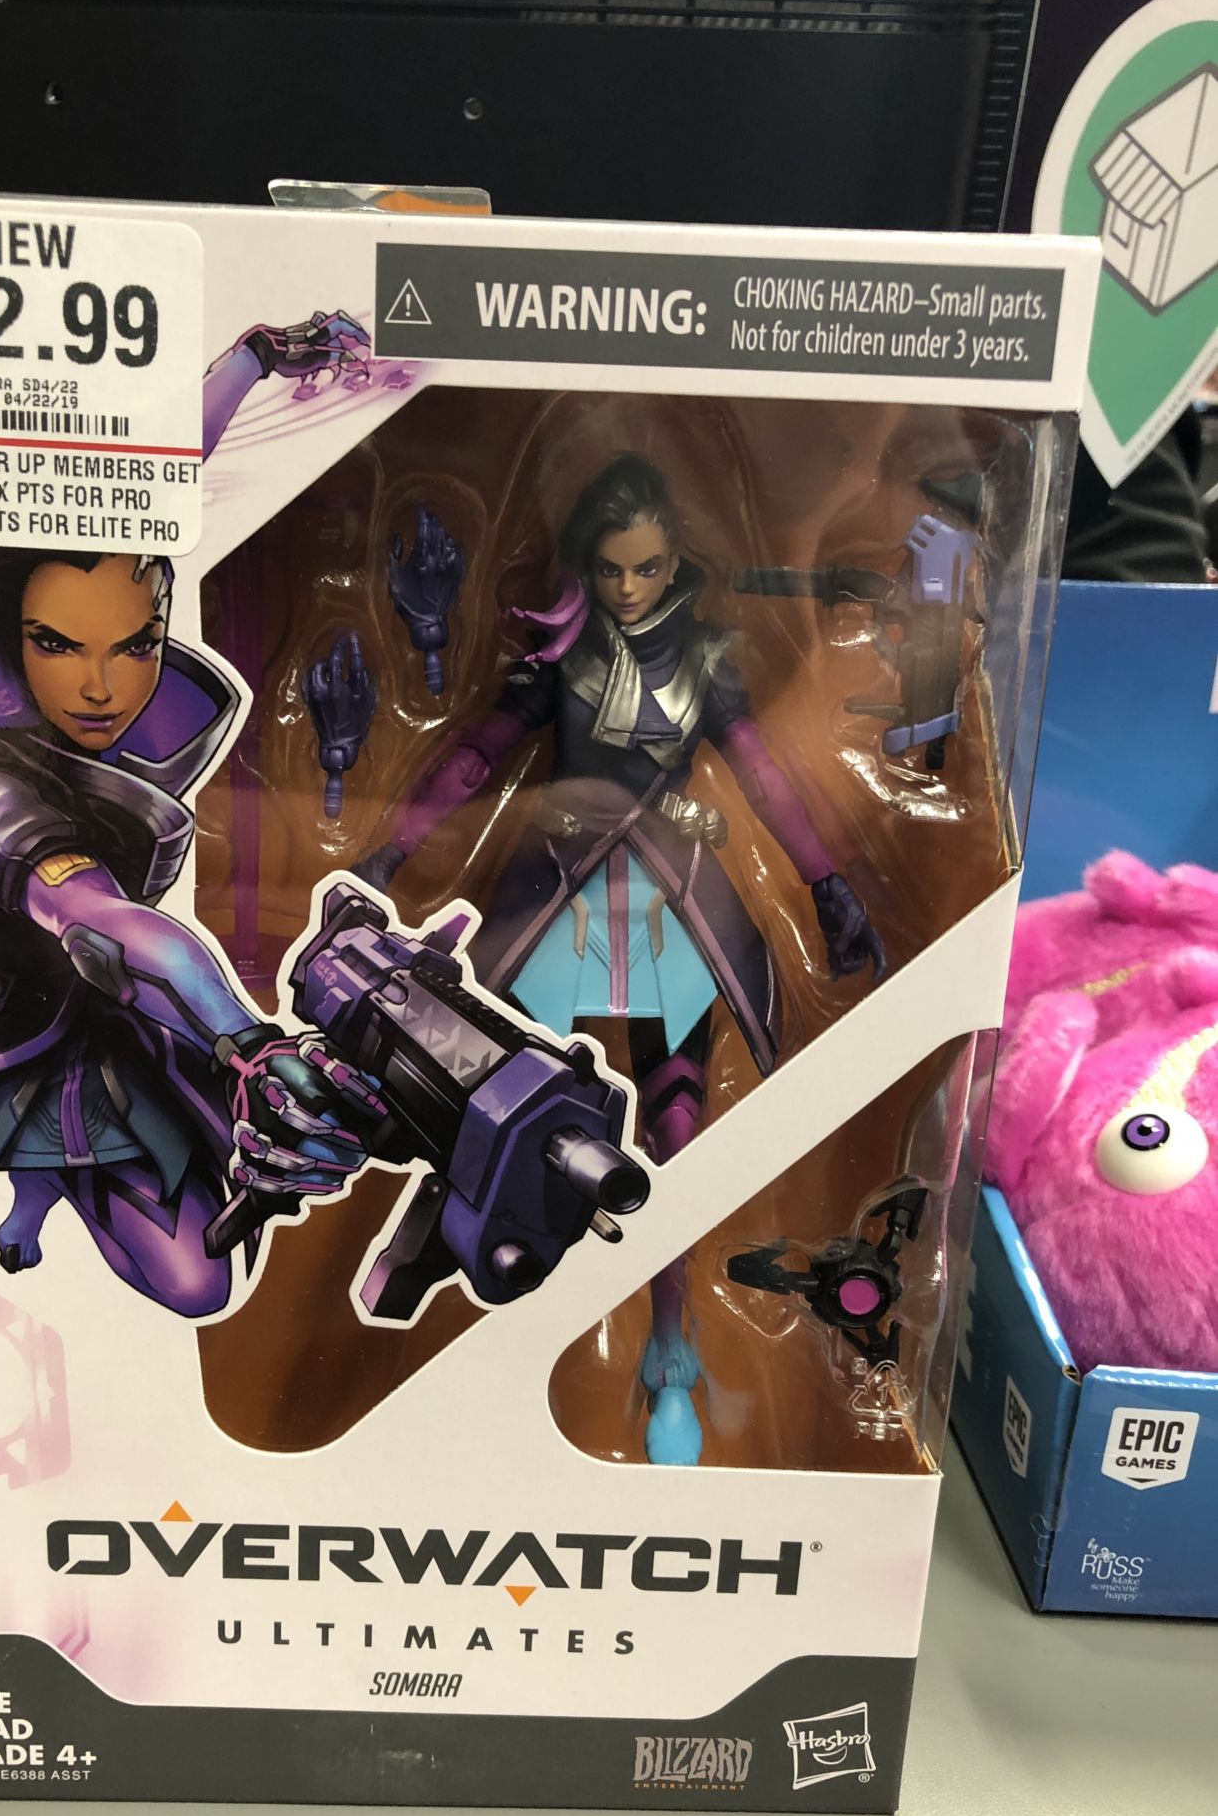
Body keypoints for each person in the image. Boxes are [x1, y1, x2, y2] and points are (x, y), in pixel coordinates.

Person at [358, 453, 884, 1463]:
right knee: (487, 1100)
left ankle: (671, 1348)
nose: (629, 588)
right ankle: (428, 1266)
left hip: (670, 902)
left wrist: (826, 881)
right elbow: (473, 758)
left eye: (645, 568)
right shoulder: (556, 661)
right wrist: (392, 850)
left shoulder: (708, 659)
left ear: (675, 559)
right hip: (558, 893)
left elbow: (762, 774)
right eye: (610, 570)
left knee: (675, 1130)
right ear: (586, 568)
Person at [0, 546, 370, 1315]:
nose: (102, 687)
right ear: (2, 635)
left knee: (196, 1282)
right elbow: (99, 919)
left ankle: (47, 1177)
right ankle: (30, 1176)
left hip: (103, 1027)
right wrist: (249, 1044)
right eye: (56, 643)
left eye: (136, 645)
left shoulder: (147, 731)